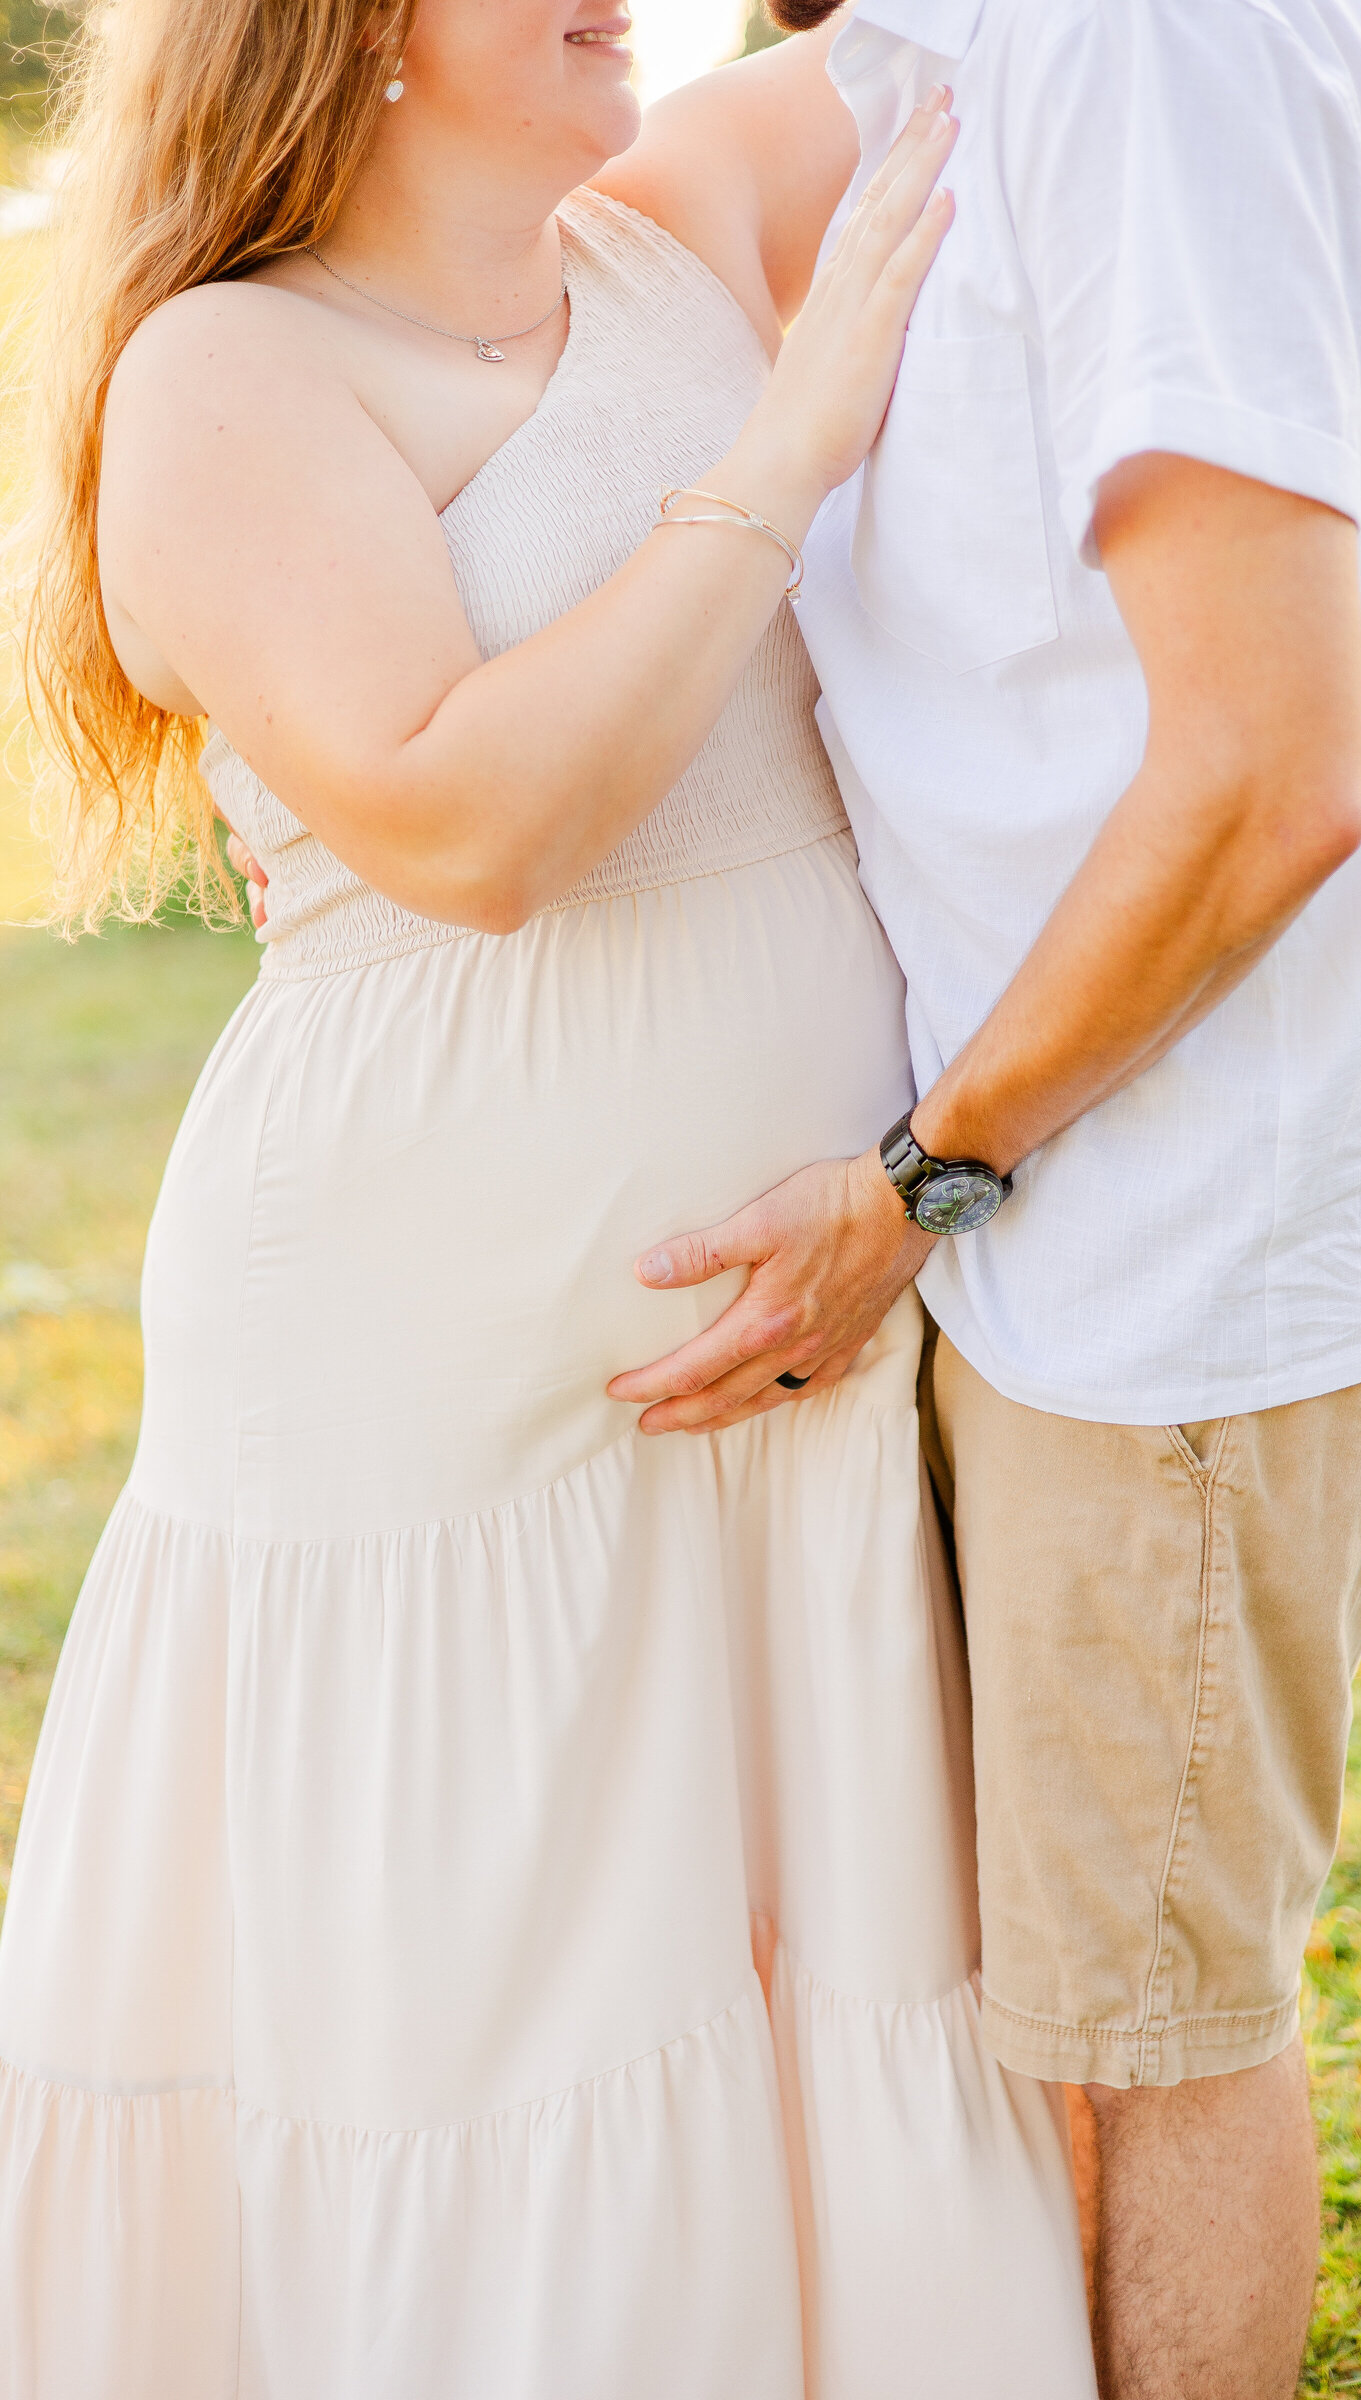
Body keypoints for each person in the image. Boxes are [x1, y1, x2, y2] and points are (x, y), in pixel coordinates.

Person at [0, 7, 1099, 2395]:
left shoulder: (668, 238)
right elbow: (469, 829)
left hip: (782, 1332)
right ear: (350, 33)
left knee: (770, 1940)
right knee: (485, 1984)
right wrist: (792, 437)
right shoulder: (231, 374)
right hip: (431, 1347)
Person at [610, 3, 1361, 2395]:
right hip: (1091, 1204)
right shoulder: (974, 45)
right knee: (1064, 2016)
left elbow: (1266, 772)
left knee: (1136, 2039)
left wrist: (925, 1174)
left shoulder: (1134, 37)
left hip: (1162, 1241)